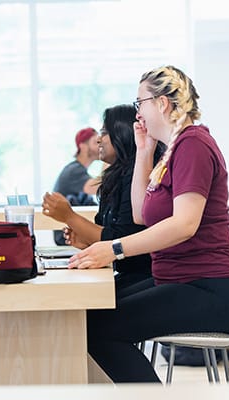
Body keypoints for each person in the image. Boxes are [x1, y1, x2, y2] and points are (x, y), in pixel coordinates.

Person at [66, 65, 229, 382]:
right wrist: (144, 150)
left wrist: (115, 248)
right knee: (90, 313)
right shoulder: (172, 151)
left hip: (208, 287)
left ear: (162, 103)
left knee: (97, 328)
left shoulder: (194, 145)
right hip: (179, 279)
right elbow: (140, 214)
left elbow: (184, 225)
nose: (138, 113)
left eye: (140, 103)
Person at [43, 104, 165, 290]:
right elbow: (108, 234)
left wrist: (69, 216)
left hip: (145, 276)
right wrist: (86, 241)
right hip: (127, 273)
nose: (99, 140)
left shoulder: (137, 177)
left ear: (122, 134)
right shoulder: (114, 177)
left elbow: (121, 239)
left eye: (104, 133)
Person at [52, 127, 100, 244]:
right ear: (82, 146)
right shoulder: (74, 171)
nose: (100, 146)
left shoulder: (79, 170)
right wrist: (112, 161)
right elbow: (97, 188)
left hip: (71, 233)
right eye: (96, 142)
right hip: (67, 236)